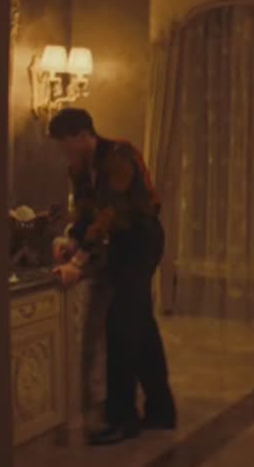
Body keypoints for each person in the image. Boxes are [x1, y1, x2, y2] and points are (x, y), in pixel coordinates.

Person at [48, 107, 177, 446]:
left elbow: (111, 214)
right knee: (141, 326)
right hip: (120, 242)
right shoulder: (80, 168)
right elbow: (85, 212)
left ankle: (123, 420)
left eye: (64, 144)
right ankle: (162, 409)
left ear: (82, 136)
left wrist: (79, 262)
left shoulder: (118, 156)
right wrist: (73, 240)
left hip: (140, 240)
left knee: (121, 329)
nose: (63, 152)